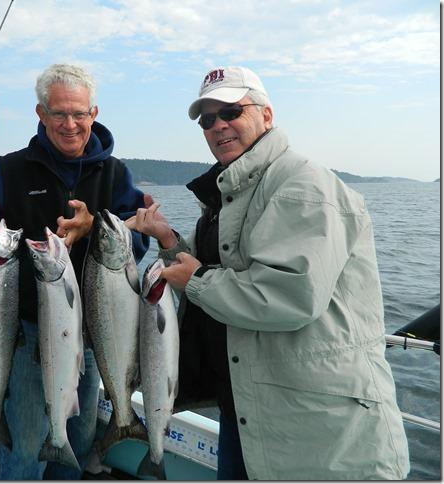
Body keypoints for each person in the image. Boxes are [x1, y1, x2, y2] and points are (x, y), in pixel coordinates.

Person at [127, 66, 409, 480]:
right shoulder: (232, 191)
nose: (218, 125)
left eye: (231, 111)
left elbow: (288, 296)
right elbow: (212, 272)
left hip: (314, 428)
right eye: (208, 119)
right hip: (247, 407)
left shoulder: (303, 185)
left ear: (267, 115)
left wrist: (198, 281)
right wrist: (167, 238)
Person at [0, 63, 150, 480]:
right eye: (58, 113)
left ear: (94, 113)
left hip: (91, 335)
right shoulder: (9, 171)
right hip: (28, 333)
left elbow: (137, 242)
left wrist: (99, 226)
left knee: (77, 436)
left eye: (79, 113)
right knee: (29, 442)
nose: (70, 124)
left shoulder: (116, 175)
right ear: (40, 114)